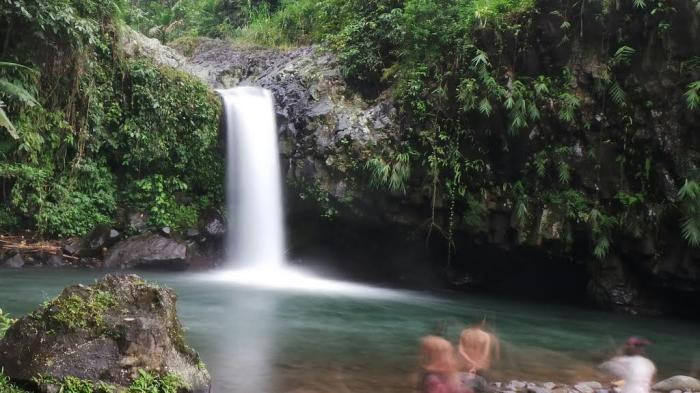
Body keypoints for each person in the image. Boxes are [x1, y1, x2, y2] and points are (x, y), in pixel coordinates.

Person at [457, 323, 500, 393]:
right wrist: (474, 366)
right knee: (480, 388)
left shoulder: (464, 332)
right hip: (479, 367)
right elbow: (485, 354)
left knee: (464, 387)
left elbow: (460, 350)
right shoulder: (485, 336)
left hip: (465, 365)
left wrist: (470, 362)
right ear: (483, 321)